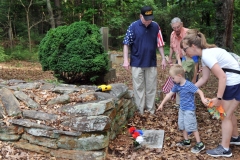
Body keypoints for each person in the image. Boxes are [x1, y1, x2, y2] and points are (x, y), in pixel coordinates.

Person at [181, 29, 240, 157]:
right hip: (235, 81)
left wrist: (218, 98)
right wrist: (189, 88)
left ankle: (225, 149)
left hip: (233, 82)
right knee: (229, 113)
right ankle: (235, 138)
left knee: (225, 115)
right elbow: (204, 78)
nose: (185, 52)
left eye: (185, 49)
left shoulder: (207, 55)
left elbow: (222, 77)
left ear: (193, 46)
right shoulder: (205, 56)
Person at [122, 6, 166, 115]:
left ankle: (151, 110)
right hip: (137, 62)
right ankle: (140, 111)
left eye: (150, 18)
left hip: (151, 62)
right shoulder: (133, 26)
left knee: (151, 88)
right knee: (138, 88)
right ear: (140, 16)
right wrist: (125, 60)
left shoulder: (156, 26)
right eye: (146, 19)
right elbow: (126, 44)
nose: (148, 21)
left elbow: (160, 44)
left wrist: (164, 58)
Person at [157, 64, 206, 153]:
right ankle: (186, 141)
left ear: (179, 76)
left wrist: (202, 98)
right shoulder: (177, 85)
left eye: (173, 78)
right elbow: (169, 94)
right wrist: (162, 104)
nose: (172, 80)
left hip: (189, 110)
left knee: (192, 126)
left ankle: (200, 143)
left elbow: (199, 91)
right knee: (182, 125)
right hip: (182, 109)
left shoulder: (189, 85)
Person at [168, 17, 199, 83]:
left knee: (190, 77)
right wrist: (170, 58)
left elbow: (195, 53)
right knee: (177, 76)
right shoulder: (172, 34)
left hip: (189, 58)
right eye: (174, 28)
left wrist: (194, 79)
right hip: (179, 58)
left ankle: (192, 88)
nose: (176, 29)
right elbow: (171, 46)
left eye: (178, 27)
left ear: (182, 24)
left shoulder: (188, 33)